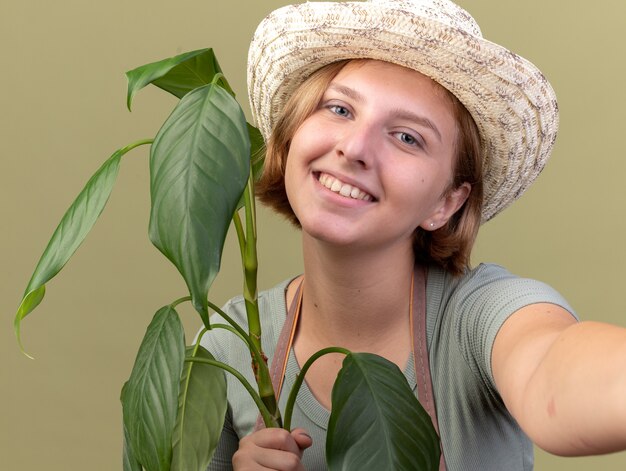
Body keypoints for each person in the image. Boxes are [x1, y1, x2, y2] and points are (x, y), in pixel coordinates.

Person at [199, 0, 626, 469]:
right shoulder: (229, 347)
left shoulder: (478, 318)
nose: (354, 147)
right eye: (339, 109)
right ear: (291, 136)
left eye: (407, 137)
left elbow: (550, 372)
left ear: (447, 202)